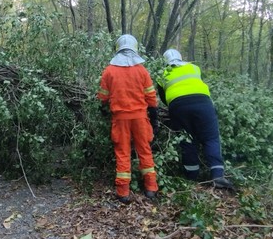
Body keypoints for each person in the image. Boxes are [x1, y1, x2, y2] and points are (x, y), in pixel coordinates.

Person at [156, 49, 233, 189]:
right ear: (181, 58)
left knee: (187, 140)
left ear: (165, 61)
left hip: (178, 106)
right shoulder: (193, 67)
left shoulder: (162, 74)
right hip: (203, 103)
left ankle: (191, 178)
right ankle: (218, 175)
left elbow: (163, 97)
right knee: (211, 138)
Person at [97, 34, 160, 204]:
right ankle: (151, 188)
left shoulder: (109, 70)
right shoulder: (141, 70)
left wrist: (103, 109)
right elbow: (151, 97)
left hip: (120, 118)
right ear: (134, 48)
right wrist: (154, 117)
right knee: (144, 151)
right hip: (140, 117)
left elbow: (102, 96)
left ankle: (123, 191)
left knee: (123, 153)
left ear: (118, 48)